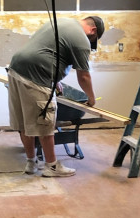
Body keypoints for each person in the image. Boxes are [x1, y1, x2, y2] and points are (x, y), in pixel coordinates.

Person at [8, 15, 104, 177]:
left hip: (16, 69)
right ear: (93, 30)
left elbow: (48, 51)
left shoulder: (62, 22)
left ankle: (31, 163)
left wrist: (54, 79)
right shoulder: (82, 39)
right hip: (36, 76)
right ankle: (51, 166)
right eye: (92, 38)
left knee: (24, 122)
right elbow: (84, 76)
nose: (89, 41)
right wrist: (91, 99)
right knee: (45, 121)